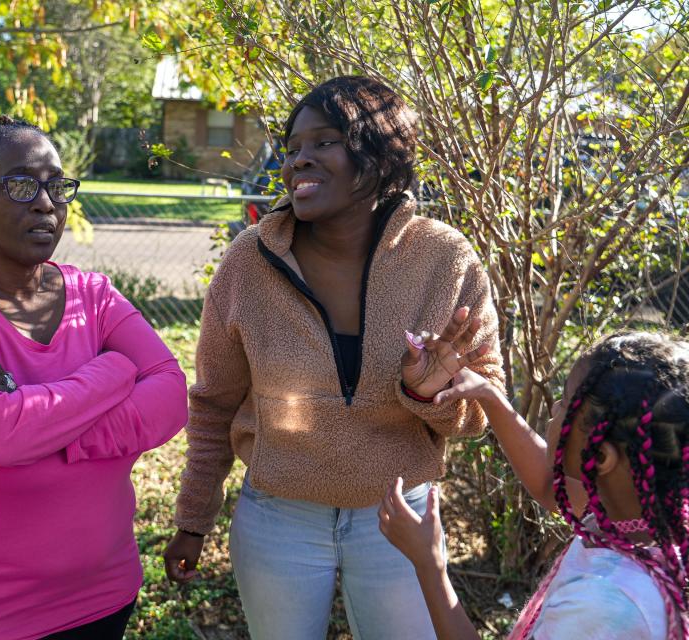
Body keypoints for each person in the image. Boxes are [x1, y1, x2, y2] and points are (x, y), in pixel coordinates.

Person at [163, 75, 506, 639]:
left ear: (377, 155)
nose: (299, 160)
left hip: (399, 520)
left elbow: (479, 412)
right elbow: (214, 402)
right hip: (278, 517)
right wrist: (194, 518)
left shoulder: (445, 260)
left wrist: (427, 393)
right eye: (293, 148)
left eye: (323, 142)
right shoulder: (250, 263)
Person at [0, 115, 188, 640]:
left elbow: (170, 395)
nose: (47, 202)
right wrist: (115, 370)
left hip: (101, 596)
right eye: (22, 184)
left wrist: (46, 422)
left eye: (56, 185)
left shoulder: (93, 294)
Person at [379, 331, 689, 639]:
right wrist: (487, 395)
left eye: (566, 402)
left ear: (600, 456)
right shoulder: (646, 523)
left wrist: (430, 565)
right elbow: (549, 486)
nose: (554, 408)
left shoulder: (602, 605)